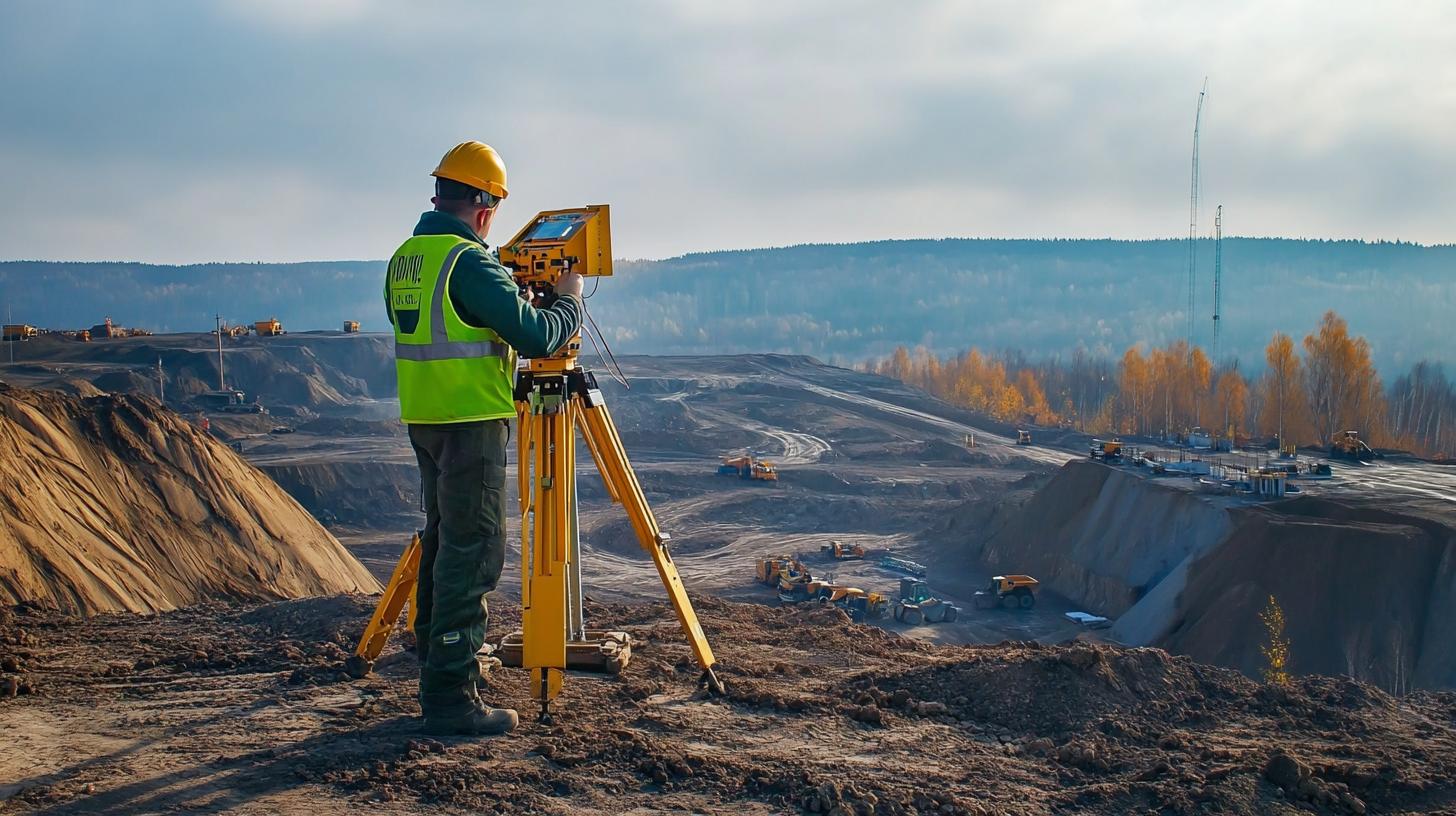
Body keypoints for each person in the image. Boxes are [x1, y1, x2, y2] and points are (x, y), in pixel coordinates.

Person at [384, 141, 584, 736]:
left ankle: (438, 663)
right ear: (485, 208)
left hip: (427, 420)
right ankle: (449, 699)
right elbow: (538, 336)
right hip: (471, 424)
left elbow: (449, 325)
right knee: (472, 555)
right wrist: (568, 303)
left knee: (445, 544)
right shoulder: (467, 263)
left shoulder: (407, 257)